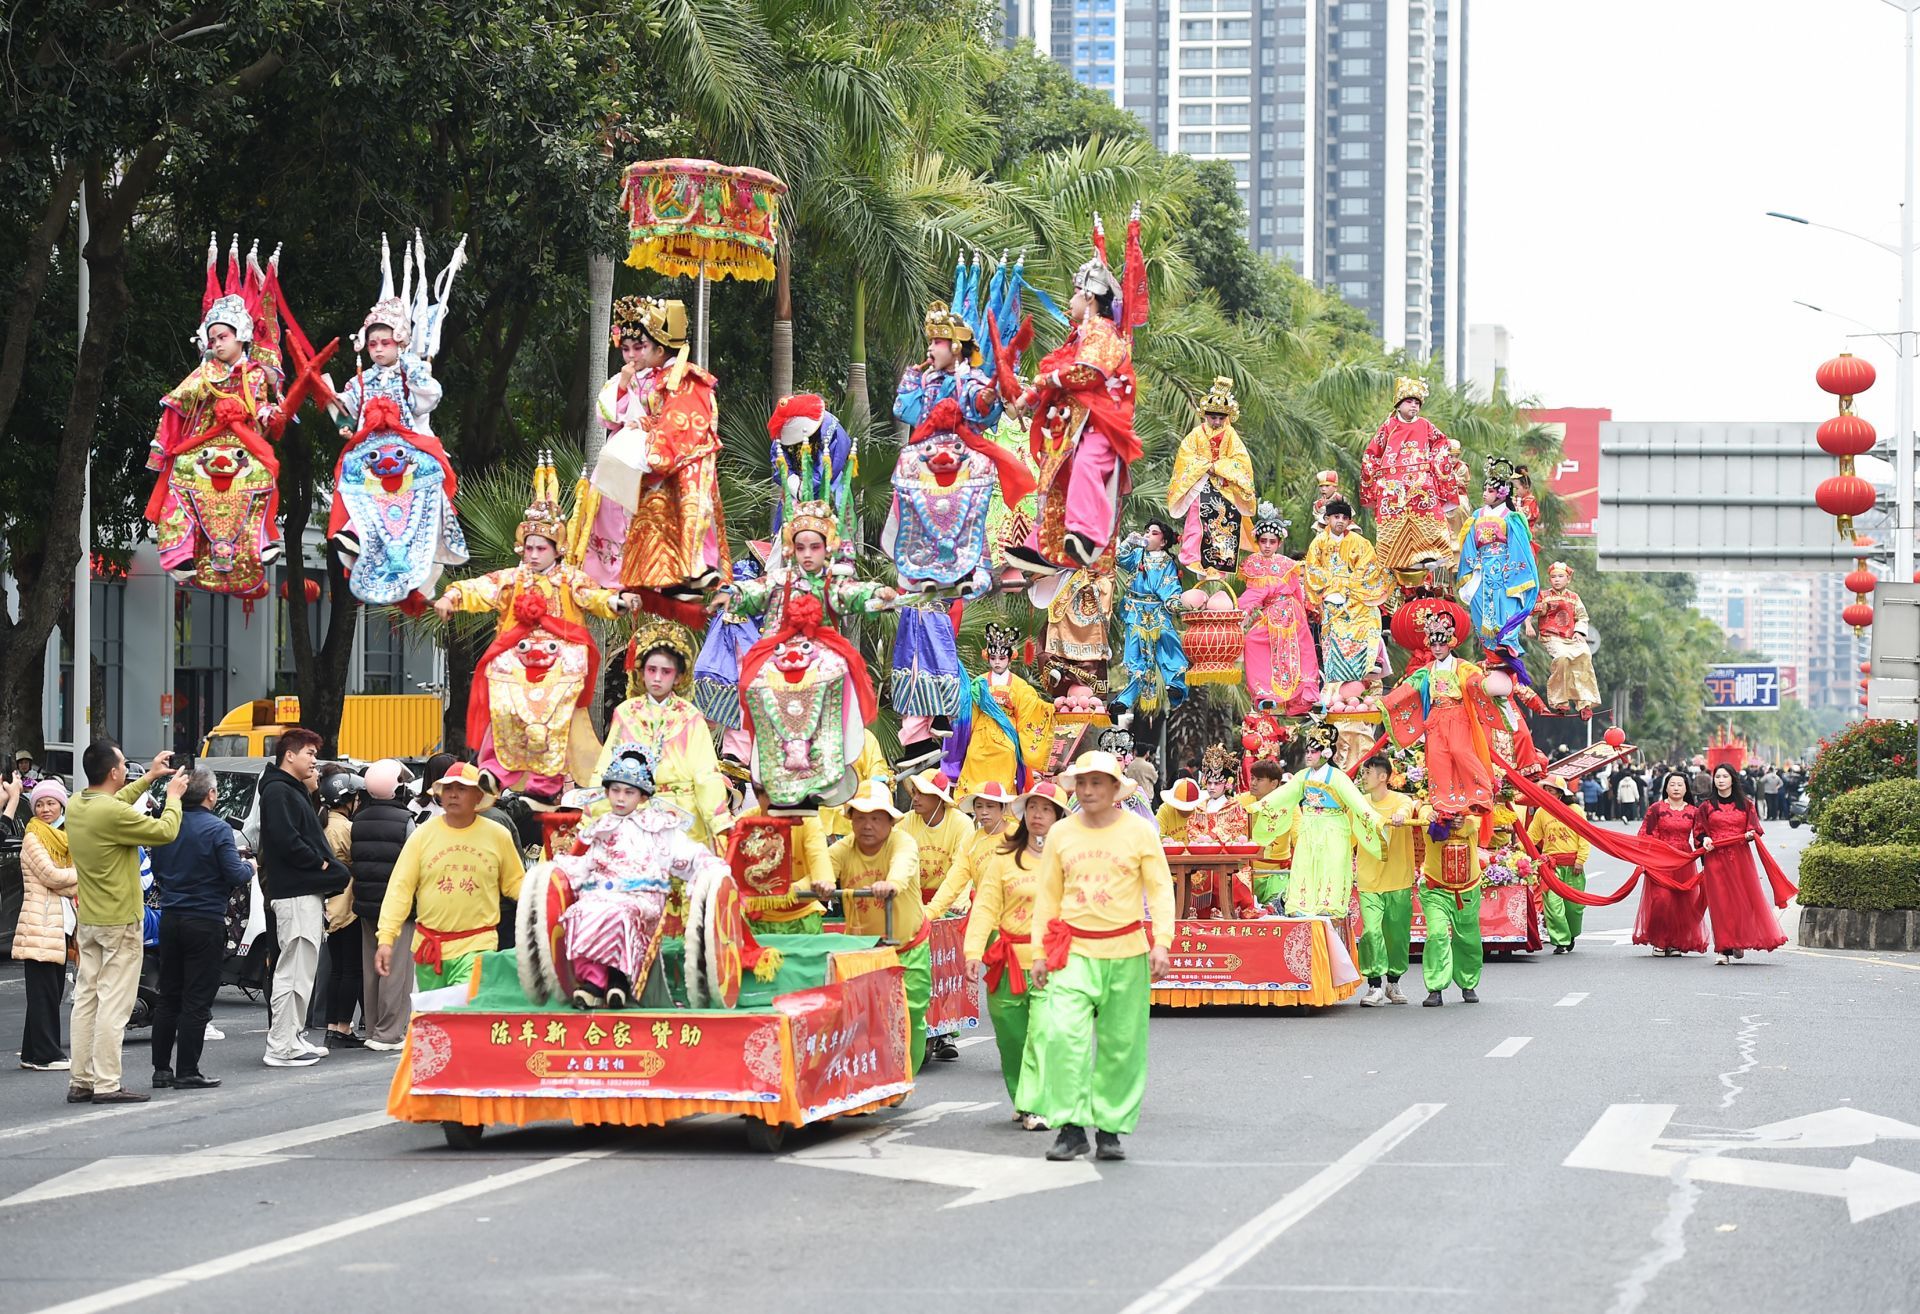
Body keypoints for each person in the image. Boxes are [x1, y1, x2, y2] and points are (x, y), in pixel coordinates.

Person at [436, 455, 630, 798]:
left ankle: (545, 784)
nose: (533, 554)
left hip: (559, 659)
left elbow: (594, 597)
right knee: (504, 704)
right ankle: (494, 773)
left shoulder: (570, 578)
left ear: (557, 550)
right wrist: (452, 596)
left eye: (541, 548)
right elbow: (480, 588)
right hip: (517, 658)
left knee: (553, 713)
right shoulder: (512, 579)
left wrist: (614, 602)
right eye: (529, 547)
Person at [1020, 750, 1173, 1163]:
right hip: (1073, 952)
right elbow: (1047, 897)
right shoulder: (1061, 834)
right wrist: (1039, 953)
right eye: (1082, 783)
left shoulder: (1140, 832)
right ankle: (1070, 1128)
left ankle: (1109, 1129)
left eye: (1096, 783)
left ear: (1113, 788)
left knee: (1121, 1044)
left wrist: (1162, 941)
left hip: (1127, 952)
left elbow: (1159, 888)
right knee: (1061, 1036)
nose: (1087, 791)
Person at [327, 235, 466, 609]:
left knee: (429, 479)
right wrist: (336, 409)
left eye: (385, 342)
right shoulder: (362, 380)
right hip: (372, 450)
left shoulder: (412, 370)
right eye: (373, 344)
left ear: (400, 341)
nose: (378, 349)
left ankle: (425, 548)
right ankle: (355, 533)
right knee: (350, 474)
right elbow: (346, 408)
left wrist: (414, 370)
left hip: (409, 446)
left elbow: (430, 399)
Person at [144, 236, 286, 598]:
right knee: (180, 484)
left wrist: (272, 414)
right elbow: (175, 405)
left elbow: (263, 409)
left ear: (241, 337)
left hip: (243, 447)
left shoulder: (255, 375)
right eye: (212, 339)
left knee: (266, 477)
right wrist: (164, 449)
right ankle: (178, 554)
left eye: (222, 336)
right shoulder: (203, 375)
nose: (217, 344)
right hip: (205, 448)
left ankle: (265, 540)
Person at [1006, 212, 1144, 574]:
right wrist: (1026, 396)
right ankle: (1044, 547)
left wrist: (1045, 384)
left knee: (1085, 468)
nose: (1069, 302)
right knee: (1053, 481)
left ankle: (1087, 537)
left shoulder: (1101, 331)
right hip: (1073, 427)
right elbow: (1055, 371)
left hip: (1101, 424)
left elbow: (1087, 372)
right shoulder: (1077, 338)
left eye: (1074, 294)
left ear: (1089, 296)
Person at [65, 740, 187, 1103]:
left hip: (89, 918)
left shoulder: (78, 805)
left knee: (87, 999)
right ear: (114, 771)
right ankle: (106, 1083)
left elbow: (115, 803)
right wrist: (175, 795)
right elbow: (166, 831)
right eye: (124, 766)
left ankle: (81, 1080)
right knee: (115, 1005)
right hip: (119, 920)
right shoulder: (112, 814)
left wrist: (149, 777)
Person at [557, 745, 725, 1008]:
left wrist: (711, 868)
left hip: (642, 897)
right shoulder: (602, 827)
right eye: (615, 790)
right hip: (602, 893)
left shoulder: (659, 826)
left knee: (620, 913)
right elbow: (587, 864)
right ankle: (595, 982)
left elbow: (689, 855)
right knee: (578, 913)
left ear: (643, 796)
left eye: (629, 792)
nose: (620, 798)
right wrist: (559, 872)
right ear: (607, 792)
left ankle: (620, 980)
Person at [601, 297, 729, 602]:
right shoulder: (661, 378)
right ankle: (671, 578)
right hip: (669, 454)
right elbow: (659, 416)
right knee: (661, 513)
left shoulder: (685, 378)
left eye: (642, 347)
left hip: (688, 455)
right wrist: (644, 426)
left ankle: (696, 570)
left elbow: (682, 420)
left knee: (690, 512)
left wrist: (655, 447)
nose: (636, 354)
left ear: (659, 349)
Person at [965, 778, 1070, 1130]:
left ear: (1059, 817)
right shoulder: (1004, 857)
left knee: (1042, 1033)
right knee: (1011, 1038)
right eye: (1034, 808)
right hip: (1007, 961)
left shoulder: (1068, 859)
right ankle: (1022, 1097)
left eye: (1047, 809)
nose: (1038, 815)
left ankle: (1035, 1104)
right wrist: (972, 951)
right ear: (1023, 814)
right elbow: (985, 906)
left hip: (1051, 963)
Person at [147, 767, 255, 1090]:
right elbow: (234, 874)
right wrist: (249, 867)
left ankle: (161, 1070)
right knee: (197, 997)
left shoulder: (168, 825)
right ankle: (187, 1070)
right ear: (211, 795)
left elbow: (157, 870)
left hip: (171, 917)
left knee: (169, 995)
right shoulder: (218, 829)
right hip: (205, 918)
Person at [375, 762, 527, 990]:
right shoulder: (423, 835)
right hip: (429, 948)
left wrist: (543, 898)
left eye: (462, 788)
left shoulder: (498, 836)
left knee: (462, 1012)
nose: (453, 794)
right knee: (435, 1021)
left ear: (478, 795)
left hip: (477, 946)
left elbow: (515, 883)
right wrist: (386, 938)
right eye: (448, 788)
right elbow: (401, 888)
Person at [259, 729, 351, 1068]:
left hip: (301, 890)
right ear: (290, 755)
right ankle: (281, 1045)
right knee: (293, 970)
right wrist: (323, 863)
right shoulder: (278, 791)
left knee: (301, 969)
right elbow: (287, 841)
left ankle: (292, 1037)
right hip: (295, 891)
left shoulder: (286, 790)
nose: (314, 760)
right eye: (309, 753)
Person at [597, 620, 731, 850]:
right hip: (633, 812)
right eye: (652, 670)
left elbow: (706, 773)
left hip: (682, 818)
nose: (657, 678)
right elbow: (605, 767)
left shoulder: (690, 716)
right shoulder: (626, 713)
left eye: (666, 671)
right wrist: (594, 815)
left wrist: (719, 823)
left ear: (678, 677)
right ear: (641, 673)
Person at [828, 781, 930, 1073]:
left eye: (875, 817)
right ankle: (870, 1075)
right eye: (860, 817)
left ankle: (904, 1072)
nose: (867, 825)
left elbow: (904, 865)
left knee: (910, 1012)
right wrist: (819, 883)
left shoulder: (902, 842)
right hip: (863, 952)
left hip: (907, 945)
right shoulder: (843, 848)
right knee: (862, 1017)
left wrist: (892, 884)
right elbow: (822, 870)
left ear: (890, 820)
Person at [1267, 723, 1381, 919]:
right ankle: (1300, 904)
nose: (1308, 755)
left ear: (1326, 753)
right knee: (1304, 863)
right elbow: (1283, 796)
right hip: (1309, 825)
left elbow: (1357, 803)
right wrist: (1262, 805)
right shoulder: (1302, 776)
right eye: (1307, 751)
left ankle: (1330, 904)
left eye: (1313, 751)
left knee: (1332, 864)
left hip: (1333, 826)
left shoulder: (1338, 777)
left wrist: (1378, 820)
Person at [1360, 375, 1463, 582]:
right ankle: (1395, 557)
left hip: (1420, 482)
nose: (1414, 406)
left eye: (1417, 403)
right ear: (1398, 404)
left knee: (1429, 517)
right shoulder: (1388, 426)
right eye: (1409, 402)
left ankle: (1432, 553)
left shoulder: (1425, 425)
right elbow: (1371, 454)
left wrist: (1434, 466)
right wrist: (1376, 482)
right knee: (1394, 524)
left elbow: (1441, 443)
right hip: (1393, 485)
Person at [945, 623, 1054, 797]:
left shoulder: (1019, 685)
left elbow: (1030, 710)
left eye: (1002, 658)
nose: (997, 662)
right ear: (987, 657)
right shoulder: (978, 682)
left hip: (1006, 736)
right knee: (973, 757)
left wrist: (1053, 710)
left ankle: (1003, 800)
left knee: (1007, 756)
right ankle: (970, 801)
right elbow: (969, 712)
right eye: (993, 657)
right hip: (981, 735)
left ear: (1010, 658)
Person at [351, 759, 416, 1049]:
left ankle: (373, 1026)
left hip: (366, 903)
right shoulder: (406, 821)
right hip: (398, 906)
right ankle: (389, 1032)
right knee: (396, 967)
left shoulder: (359, 819)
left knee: (371, 966)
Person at [1302, 498, 1392, 698]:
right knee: (1333, 637)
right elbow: (1312, 570)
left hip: (1356, 596)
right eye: (1336, 517)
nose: (1340, 521)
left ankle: (1369, 664)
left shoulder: (1360, 542)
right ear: (1327, 519)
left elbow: (1368, 567)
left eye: (1344, 517)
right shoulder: (1318, 543)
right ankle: (1336, 680)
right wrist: (1335, 585)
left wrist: (1349, 585)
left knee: (1371, 617)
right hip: (1332, 597)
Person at [1696, 765, 1787, 962]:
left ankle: (1738, 939)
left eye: (1724, 776)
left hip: (1740, 858)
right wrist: (1704, 840)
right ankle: (1723, 948)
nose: (1720, 780)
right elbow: (1699, 831)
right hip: (1715, 858)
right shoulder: (1706, 806)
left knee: (1742, 901)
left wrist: (1749, 834)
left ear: (1732, 780)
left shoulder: (1746, 804)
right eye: (1717, 776)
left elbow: (1754, 828)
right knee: (1720, 903)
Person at [1166, 377, 1256, 576]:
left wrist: (1218, 467)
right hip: (1201, 485)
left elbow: (1241, 462)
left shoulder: (1232, 436)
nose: (1216, 421)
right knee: (1196, 521)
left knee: (1224, 524)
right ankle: (1193, 558)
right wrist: (1205, 466)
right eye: (1213, 417)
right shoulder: (1196, 435)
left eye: (1221, 418)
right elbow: (1185, 456)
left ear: (1227, 417)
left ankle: (1219, 566)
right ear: (1205, 415)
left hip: (1224, 488)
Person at [16, 779, 77, 1071]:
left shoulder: (61, 839)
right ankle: (46, 1054)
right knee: (44, 993)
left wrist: (72, 877)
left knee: (47, 990)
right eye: (39, 804)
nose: (45, 809)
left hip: (57, 924)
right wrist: (84, 874)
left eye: (51, 803)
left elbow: (61, 881)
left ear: (61, 805)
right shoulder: (34, 837)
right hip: (40, 923)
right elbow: (52, 876)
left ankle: (31, 1052)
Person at [1456, 457, 1541, 665]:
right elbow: (1469, 543)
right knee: (1479, 608)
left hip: (1505, 569)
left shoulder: (1511, 517)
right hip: (1481, 568)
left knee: (1507, 606)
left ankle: (1507, 644)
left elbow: (1519, 546)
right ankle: (1490, 652)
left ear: (1502, 493)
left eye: (1490, 490)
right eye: (1485, 489)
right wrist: (1473, 563)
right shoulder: (1476, 516)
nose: (1485, 493)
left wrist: (1510, 570)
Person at [1238, 505, 1321, 714]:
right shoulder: (1252, 564)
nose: (1267, 546)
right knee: (1253, 641)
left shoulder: (1288, 564)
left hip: (1291, 612)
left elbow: (1297, 593)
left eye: (1272, 542)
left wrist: (1304, 614)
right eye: (1263, 541)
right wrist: (1243, 612)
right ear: (1257, 542)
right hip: (1268, 613)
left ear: (1279, 543)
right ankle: (1264, 692)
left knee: (1302, 650)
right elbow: (1253, 593)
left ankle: (1307, 693)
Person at [1110, 520, 1189, 719]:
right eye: (1147, 531)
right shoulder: (1137, 555)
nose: (1147, 535)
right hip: (1135, 610)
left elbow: (1171, 588)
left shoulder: (1168, 563)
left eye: (1153, 533)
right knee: (1133, 657)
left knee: (1168, 643)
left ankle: (1175, 686)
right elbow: (1119, 558)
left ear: (1163, 542)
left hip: (1158, 611)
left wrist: (1175, 603)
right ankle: (1124, 701)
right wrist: (1129, 541)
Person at [1355, 756, 1418, 1006]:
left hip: (1398, 878)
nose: (1364, 777)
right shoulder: (1359, 804)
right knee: (1371, 932)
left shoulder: (1402, 800)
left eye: (1368, 772)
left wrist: (1401, 816)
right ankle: (1373, 985)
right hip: (1369, 880)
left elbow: (1406, 810)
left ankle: (1393, 981)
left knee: (1397, 935)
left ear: (1383, 777)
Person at [315, 768, 364, 1049]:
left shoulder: (321, 823)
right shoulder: (344, 828)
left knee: (336, 970)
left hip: (328, 906)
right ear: (347, 800)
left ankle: (333, 1025)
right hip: (347, 904)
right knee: (352, 969)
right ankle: (344, 1027)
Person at [1634, 770, 1708, 956]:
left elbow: (1700, 838)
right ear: (1665, 787)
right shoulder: (1656, 809)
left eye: (1680, 785)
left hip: (1684, 861)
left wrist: (1707, 862)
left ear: (1686, 788)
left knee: (1681, 903)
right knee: (1662, 900)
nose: (1676, 788)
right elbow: (1645, 835)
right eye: (1672, 784)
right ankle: (1659, 940)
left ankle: (1675, 942)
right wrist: (1646, 859)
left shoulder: (1693, 811)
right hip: (1661, 860)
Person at [926, 781, 1017, 920]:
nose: (984, 812)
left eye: (990, 806)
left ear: (1003, 808)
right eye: (979, 806)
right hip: (986, 918)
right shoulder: (971, 843)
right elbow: (953, 881)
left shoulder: (1019, 835)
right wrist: (930, 913)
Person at [1419, 812, 1483, 1006]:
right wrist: (1436, 818)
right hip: (1436, 889)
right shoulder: (1426, 807)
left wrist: (1458, 821)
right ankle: (1435, 988)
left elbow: (1472, 824)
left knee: (1468, 938)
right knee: (1437, 934)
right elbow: (1425, 823)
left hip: (1468, 888)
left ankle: (1468, 983)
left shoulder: (1472, 810)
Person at [1527, 561, 1600, 717]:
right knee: (1562, 659)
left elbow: (1582, 617)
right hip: (1551, 636)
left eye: (1561, 576)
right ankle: (1560, 701)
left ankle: (1584, 704)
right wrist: (1528, 626)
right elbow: (1529, 612)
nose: (1557, 580)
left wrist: (1579, 633)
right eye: (1554, 577)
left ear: (1568, 579)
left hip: (1571, 637)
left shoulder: (1574, 597)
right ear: (1550, 580)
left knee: (1584, 655)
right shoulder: (1544, 596)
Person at [1530, 775, 1593, 954]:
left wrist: (1581, 860)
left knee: (1574, 907)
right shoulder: (1542, 812)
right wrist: (1516, 848)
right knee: (1553, 904)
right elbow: (1532, 836)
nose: (1547, 793)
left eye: (1551, 790)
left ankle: (1571, 934)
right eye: (1546, 790)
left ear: (1560, 793)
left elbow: (1585, 835)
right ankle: (1561, 941)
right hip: (1551, 866)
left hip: (1573, 865)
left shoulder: (1575, 810)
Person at [1240, 759, 1296, 909]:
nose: (1253, 783)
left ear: (1274, 783)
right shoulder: (1240, 801)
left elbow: (1299, 839)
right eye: (1252, 778)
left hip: (1276, 875)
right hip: (1244, 874)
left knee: (1277, 911)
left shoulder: (1290, 804)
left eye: (1259, 779)